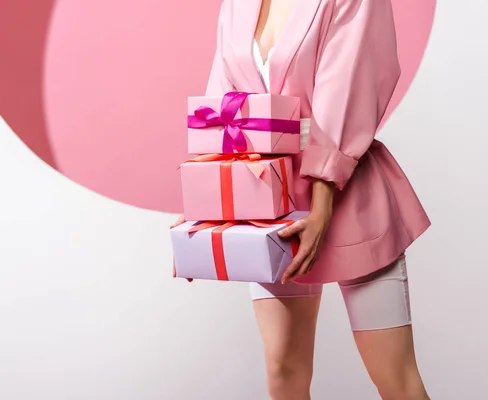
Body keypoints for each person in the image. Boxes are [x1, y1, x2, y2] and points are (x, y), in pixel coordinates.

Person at [175, 0, 432, 398]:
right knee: (283, 370)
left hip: (350, 198)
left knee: (394, 377)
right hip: (267, 203)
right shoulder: (236, 6)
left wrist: (323, 203)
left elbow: (348, 90)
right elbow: (224, 107)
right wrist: (208, 210)